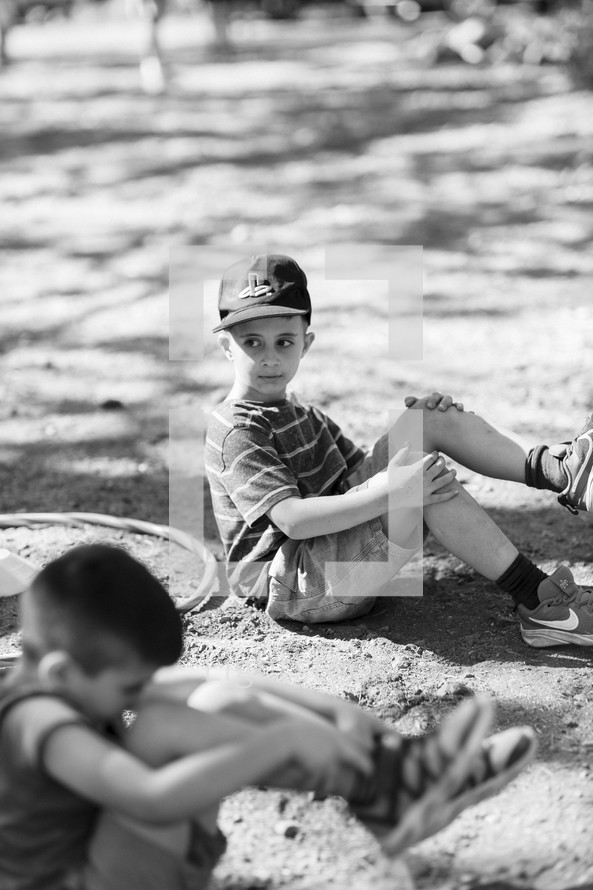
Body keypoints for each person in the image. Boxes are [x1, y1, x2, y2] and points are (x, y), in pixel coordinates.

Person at [0, 544, 536, 889]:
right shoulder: (36, 721)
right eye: (128, 685)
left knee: (213, 696)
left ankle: (391, 776)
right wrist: (280, 743)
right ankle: (388, 790)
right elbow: (149, 797)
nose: (137, 694)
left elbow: (218, 685)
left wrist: (350, 728)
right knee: (162, 725)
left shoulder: (65, 684)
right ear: (62, 672)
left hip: (105, 859)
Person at [205, 253, 593, 646]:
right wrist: (395, 491)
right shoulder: (237, 429)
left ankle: (563, 471)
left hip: (331, 549)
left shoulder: (303, 413)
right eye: (252, 342)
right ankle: (539, 601)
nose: (269, 357)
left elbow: (359, 478)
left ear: (305, 344)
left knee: (425, 421)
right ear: (226, 346)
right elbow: (293, 521)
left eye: (283, 342)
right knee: (420, 482)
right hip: (293, 584)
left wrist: (412, 442)